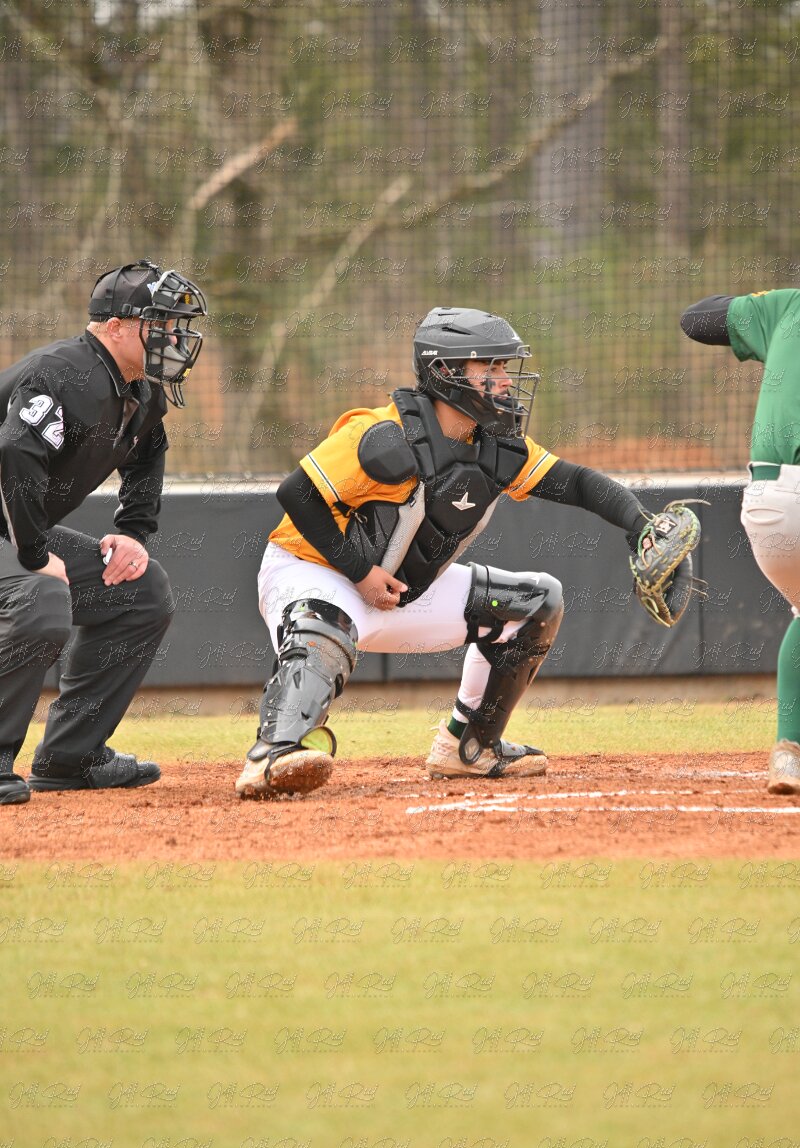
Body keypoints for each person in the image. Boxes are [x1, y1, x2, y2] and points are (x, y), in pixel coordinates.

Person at [235, 305, 662, 799]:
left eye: (505, 366)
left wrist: (642, 526)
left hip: (397, 590)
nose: (505, 379)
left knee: (536, 603)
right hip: (313, 570)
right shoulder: (381, 435)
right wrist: (360, 572)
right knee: (324, 626)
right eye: (491, 366)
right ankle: (272, 752)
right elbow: (296, 494)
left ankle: (470, 747)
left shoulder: (497, 447)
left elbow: (578, 483)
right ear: (445, 371)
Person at [0, 259, 207, 805]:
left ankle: (70, 756)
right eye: (159, 324)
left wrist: (134, 530)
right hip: (13, 530)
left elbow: (148, 453)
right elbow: (14, 452)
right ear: (115, 327)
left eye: (175, 326)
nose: (173, 337)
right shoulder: (62, 372)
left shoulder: (140, 389)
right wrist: (33, 552)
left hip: (10, 530)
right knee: (41, 595)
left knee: (143, 589)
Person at [681, 288, 800, 795]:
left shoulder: (789, 306)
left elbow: (696, 319)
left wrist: (757, 306)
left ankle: (790, 751)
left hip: (768, 505)